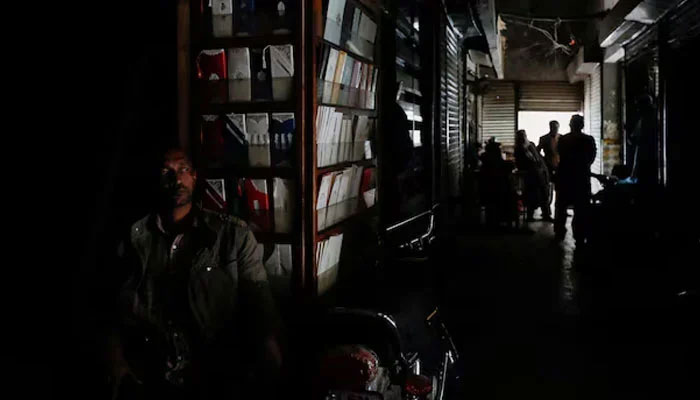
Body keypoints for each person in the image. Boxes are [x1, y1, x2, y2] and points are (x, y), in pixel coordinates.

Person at [105, 148, 283, 400]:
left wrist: (269, 361)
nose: (176, 179)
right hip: (151, 373)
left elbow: (259, 303)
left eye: (183, 170)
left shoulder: (232, 235)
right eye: (166, 171)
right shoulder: (135, 237)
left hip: (213, 373)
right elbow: (111, 308)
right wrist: (116, 361)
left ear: (195, 177)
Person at [554, 115, 597, 244]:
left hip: (565, 177)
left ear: (570, 125)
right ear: (582, 125)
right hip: (581, 178)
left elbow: (560, 154)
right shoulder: (588, 140)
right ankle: (579, 234)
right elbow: (591, 157)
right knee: (581, 208)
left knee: (561, 206)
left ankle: (559, 232)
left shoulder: (563, 139)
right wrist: (583, 167)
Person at [515, 130, 552, 222]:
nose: (523, 138)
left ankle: (546, 214)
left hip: (539, 173)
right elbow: (520, 163)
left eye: (523, 136)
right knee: (532, 196)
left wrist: (544, 170)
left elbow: (539, 158)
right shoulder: (519, 149)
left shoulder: (531, 145)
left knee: (544, 194)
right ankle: (530, 216)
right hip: (531, 175)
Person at [537, 120, 561, 212]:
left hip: (560, 166)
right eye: (552, 127)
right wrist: (543, 160)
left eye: (556, 127)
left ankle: (560, 210)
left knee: (560, 190)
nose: (554, 129)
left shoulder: (562, 138)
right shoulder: (544, 138)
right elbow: (537, 151)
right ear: (549, 127)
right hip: (548, 167)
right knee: (546, 190)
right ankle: (546, 211)